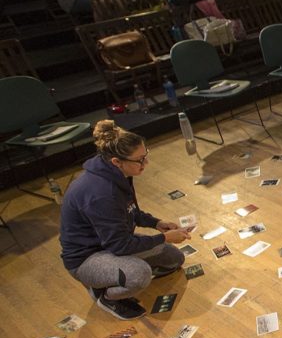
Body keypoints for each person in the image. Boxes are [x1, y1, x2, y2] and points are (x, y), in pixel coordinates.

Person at [60, 120, 189, 320]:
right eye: (140, 160)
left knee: (174, 259)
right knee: (140, 275)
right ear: (116, 161)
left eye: (146, 156)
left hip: (110, 244)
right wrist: (163, 238)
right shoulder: (101, 194)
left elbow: (131, 211)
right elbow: (120, 245)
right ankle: (107, 296)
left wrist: (156, 223)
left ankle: (116, 274)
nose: (145, 163)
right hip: (86, 259)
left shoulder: (118, 174)